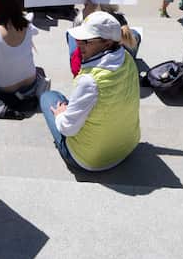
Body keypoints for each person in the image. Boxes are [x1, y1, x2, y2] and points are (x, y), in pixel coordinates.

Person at [38, 10, 141, 171]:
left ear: (107, 42)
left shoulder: (89, 81)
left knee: (48, 97)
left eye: (86, 41)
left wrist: (60, 115)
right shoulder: (128, 59)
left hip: (91, 160)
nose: (79, 44)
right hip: (127, 145)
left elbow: (68, 128)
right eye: (79, 38)